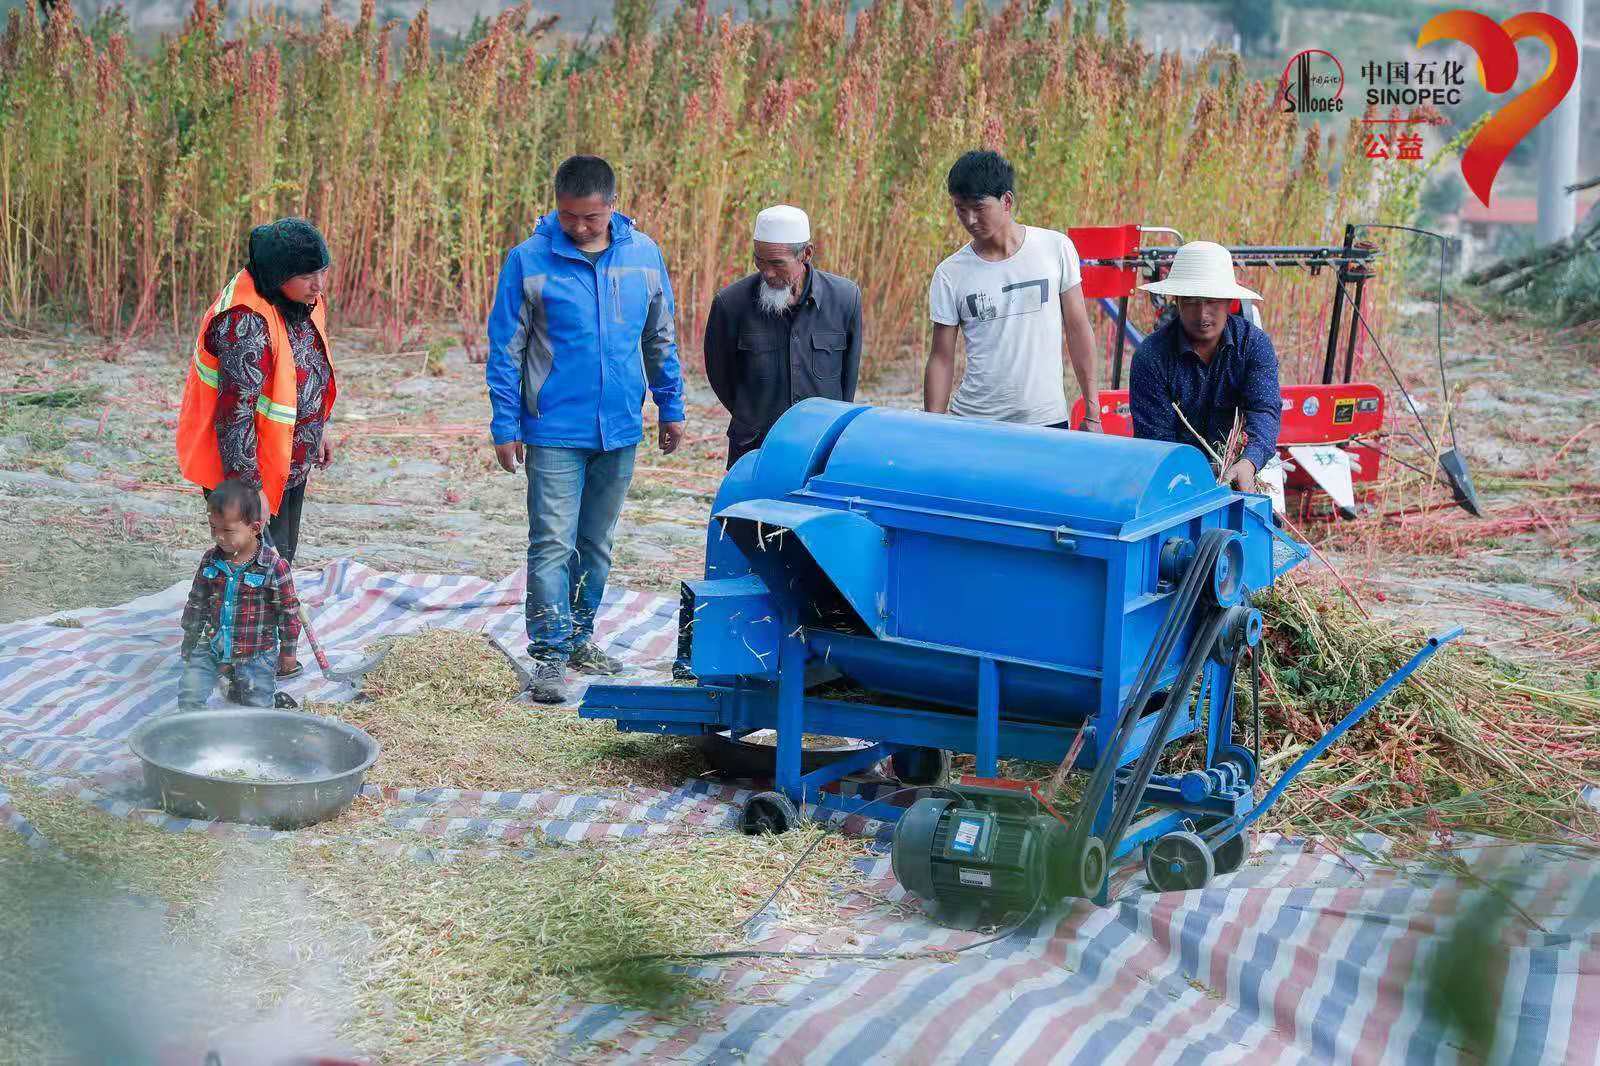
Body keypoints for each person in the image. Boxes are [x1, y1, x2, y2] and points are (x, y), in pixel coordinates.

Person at [486, 155, 687, 704]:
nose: (578, 228)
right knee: (552, 541)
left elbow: (660, 337)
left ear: (612, 207)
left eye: (590, 220)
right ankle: (549, 653)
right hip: (552, 428)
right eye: (569, 217)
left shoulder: (644, 256)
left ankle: (579, 636)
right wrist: (505, 424)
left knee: (595, 543)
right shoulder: (528, 261)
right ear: (557, 207)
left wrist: (671, 406)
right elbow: (506, 349)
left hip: (619, 428)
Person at [175, 218, 335, 678]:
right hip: (244, 472)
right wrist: (250, 493)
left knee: (278, 561)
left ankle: (264, 656)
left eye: (323, 271)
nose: (319, 285)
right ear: (277, 274)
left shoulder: (301, 301)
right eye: (309, 276)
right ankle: (240, 669)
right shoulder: (244, 322)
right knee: (248, 571)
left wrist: (317, 427)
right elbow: (235, 415)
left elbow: (303, 370)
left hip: (286, 463)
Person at [923, 150, 1100, 431]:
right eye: (960, 208)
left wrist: (1093, 410)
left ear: (1007, 201)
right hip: (974, 423)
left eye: (978, 208)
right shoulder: (950, 273)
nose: (969, 219)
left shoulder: (1055, 249)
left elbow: (1078, 329)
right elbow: (941, 357)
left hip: (1046, 421)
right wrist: (931, 427)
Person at [703, 204, 864, 468]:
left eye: (777, 263)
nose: (767, 273)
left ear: (806, 254)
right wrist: (752, 414)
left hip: (821, 447)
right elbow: (721, 375)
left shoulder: (845, 299)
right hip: (755, 449)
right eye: (759, 261)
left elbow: (848, 379)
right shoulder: (731, 304)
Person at [1127, 241, 1282, 491]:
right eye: (1191, 301)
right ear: (1176, 300)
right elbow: (1157, 441)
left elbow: (1264, 410)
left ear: (1229, 301)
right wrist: (1197, 477)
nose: (1202, 314)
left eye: (1212, 301)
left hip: (1237, 474)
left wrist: (1250, 460)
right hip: (1173, 482)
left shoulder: (1253, 345)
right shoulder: (1152, 357)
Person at [178, 479, 301, 712]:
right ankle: (195, 737)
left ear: (254, 528)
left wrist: (288, 652)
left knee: (255, 709)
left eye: (228, 530)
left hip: (256, 655)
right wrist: (190, 640)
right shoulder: (210, 561)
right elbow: (196, 602)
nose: (219, 537)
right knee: (189, 695)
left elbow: (289, 613)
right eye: (213, 527)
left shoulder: (273, 566)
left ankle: (263, 710)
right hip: (212, 648)